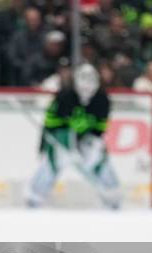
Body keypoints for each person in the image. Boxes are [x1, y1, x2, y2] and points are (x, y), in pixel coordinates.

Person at [25, 64, 121, 209]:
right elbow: (51, 123)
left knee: (99, 160)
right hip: (62, 135)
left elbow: (100, 129)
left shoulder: (102, 100)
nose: (86, 90)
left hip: (87, 137)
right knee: (55, 161)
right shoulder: (64, 96)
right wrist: (67, 145)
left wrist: (93, 147)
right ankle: (35, 196)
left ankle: (113, 195)